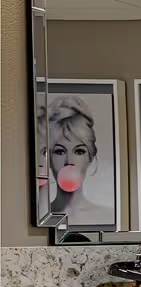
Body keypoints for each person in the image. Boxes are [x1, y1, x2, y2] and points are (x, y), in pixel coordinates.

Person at [40, 95, 116, 228]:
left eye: (79, 151)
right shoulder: (40, 216)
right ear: (49, 158)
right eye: (60, 151)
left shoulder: (110, 216)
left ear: (90, 157)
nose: (69, 161)